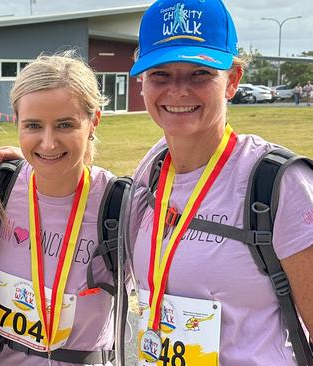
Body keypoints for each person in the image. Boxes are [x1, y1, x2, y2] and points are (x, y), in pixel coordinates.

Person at [127, 0, 313, 365]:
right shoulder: (152, 167)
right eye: (160, 74)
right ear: (142, 83)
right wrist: (28, 165)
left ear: (232, 81)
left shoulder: (278, 182)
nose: (178, 91)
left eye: (200, 74)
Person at [0, 52, 118, 366]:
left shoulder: (119, 204)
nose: (48, 143)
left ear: (94, 121)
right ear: (17, 123)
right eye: (33, 126)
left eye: (65, 125)